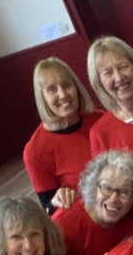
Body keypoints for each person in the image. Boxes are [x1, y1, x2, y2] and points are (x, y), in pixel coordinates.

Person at [24, 59, 101, 211]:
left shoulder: (100, 120)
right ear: (42, 98)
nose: (63, 94)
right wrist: (57, 201)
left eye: (67, 85)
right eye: (52, 89)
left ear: (76, 87)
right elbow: (48, 210)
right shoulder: (35, 151)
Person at [86, 36, 133, 155]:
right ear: (99, 83)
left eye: (123, 67)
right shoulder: (100, 133)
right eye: (108, 73)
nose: (119, 78)